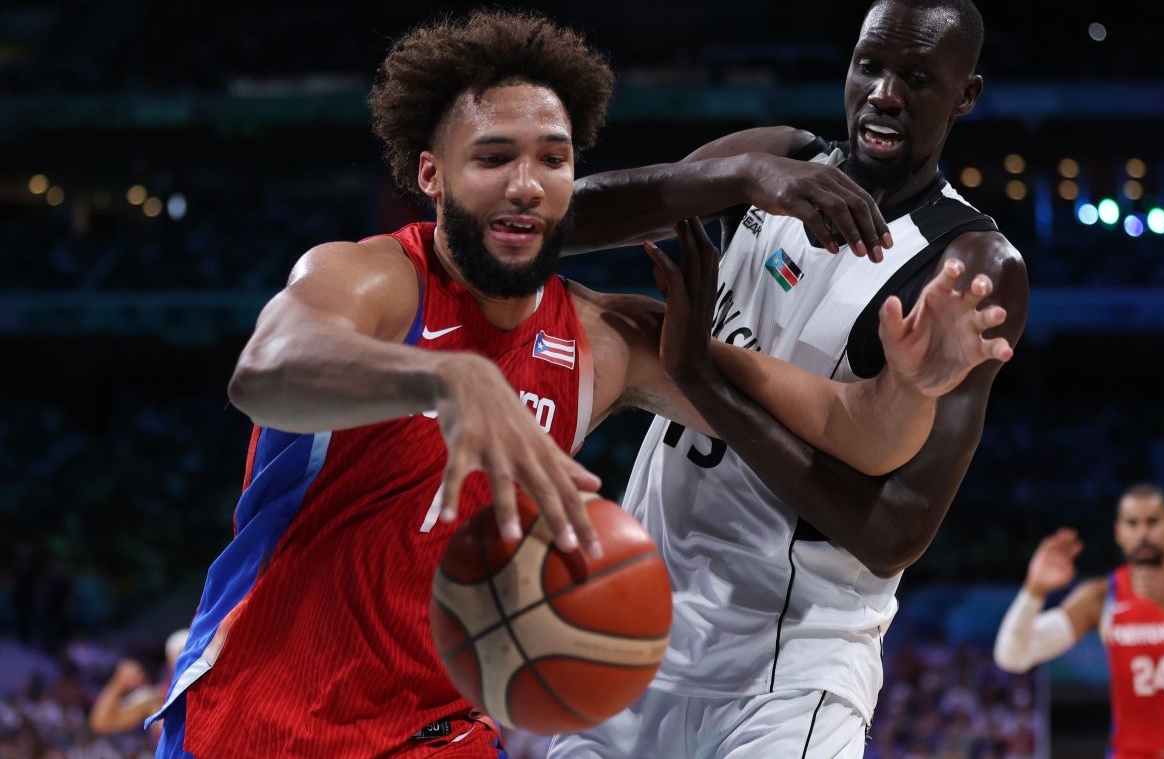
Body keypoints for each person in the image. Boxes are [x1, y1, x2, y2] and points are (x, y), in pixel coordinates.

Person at [147, 9, 1012, 759]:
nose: (526, 185)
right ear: (431, 174)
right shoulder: (375, 281)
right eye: (494, 157)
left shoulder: (605, 337)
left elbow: (856, 429)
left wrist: (912, 385)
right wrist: (447, 377)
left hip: (442, 728)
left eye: (552, 160)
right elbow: (265, 372)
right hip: (259, 716)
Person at [549, 1, 1028, 756]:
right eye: (870, 66)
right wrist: (739, 173)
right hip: (637, 627)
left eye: (916, 78)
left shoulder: (970, 264)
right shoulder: (773, 160)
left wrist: (702, 381)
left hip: (790, 667)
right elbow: (553, 224)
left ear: (965, 95)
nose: (884, 94)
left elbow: (892, 533)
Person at [992, 483, 1164, 759]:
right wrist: (1033, 592)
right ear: (1118, 532)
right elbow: (1012, 657)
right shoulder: (1101, 596)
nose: (1143, 533)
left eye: (1153, 522)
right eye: (1132, 523)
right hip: (1132, 753)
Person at [89, 629, 188, 738]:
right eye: (182, 652)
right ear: (170, 662)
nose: (190, 658)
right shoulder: (157, 697)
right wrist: (118, 683)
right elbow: (101, 722)